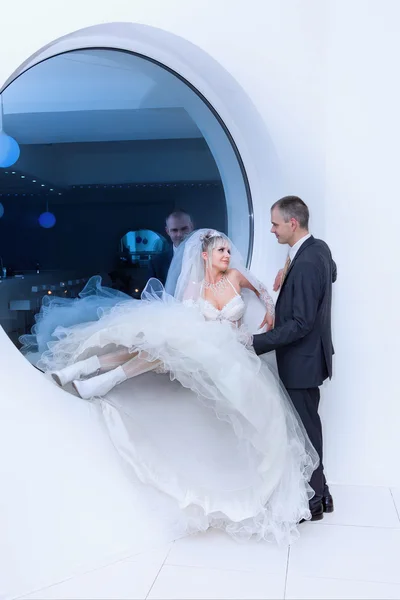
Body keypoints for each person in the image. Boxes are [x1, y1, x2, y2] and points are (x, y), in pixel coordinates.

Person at [35, 229, 318, 545]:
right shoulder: (195, 286)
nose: (227, 254)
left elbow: (264, 291)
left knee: (166, 349)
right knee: (164, 344)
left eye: (228, 249)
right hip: (203, 347)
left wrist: (270, 310)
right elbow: (186, 322)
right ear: (205, 255)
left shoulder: (237, 277)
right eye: (221, 250)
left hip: (232, 352)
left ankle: (92, 371)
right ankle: (94, 372)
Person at [253, 196, 337, 521]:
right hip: (311, 359)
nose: (271, 230)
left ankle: (313, 502)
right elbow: (331, 273)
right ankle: (324, 494)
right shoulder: (318, 250)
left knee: (305, 433)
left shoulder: (304, 263)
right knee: (309, 427)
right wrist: (285, 275)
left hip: (301, 362)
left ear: (292, 223)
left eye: (275, 224)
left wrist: (255, 342)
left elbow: (300, 325)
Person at [147, 209, 194, 284]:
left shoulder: (207, 257)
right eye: (174, 230)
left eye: (184, 229)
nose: (180, 234)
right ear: (167, 231)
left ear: (191, 227)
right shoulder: (156, 263)